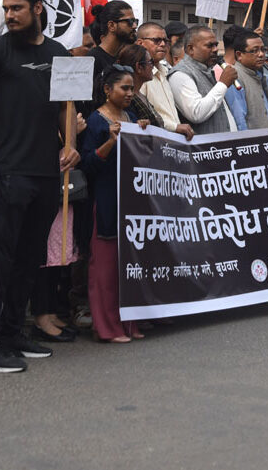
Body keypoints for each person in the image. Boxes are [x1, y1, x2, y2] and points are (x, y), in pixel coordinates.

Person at [0, 0, 79, 372]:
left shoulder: (58, 52)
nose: (9, 16)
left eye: (17, 9)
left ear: (38, 8)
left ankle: (13, 332)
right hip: (9, 172)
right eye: (6, 10)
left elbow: (67, 104)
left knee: (29, 257)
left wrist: (69, 143)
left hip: (47, 173)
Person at [82, 65, 149, 342]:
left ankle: (128, 324)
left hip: (129, 202)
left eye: (132, 88)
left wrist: (143, 133)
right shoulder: (95, 121)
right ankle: (106, 327)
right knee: (106, 269)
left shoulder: (132, 116)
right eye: (124, 88)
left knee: (127, 267)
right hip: (106, 202)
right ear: (108, 90)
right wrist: (111, 142)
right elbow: (87, 164)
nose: (130, 93)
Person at [168, 26, 237, 135]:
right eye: (209, 45)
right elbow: (196, 113)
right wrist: (223, 84)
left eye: (216, 45)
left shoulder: (207, 69)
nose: (215, 50)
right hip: (206, 149)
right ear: (191, 49)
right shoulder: (180, 75)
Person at [135, 23, 193, 138]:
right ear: (140, 43)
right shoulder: (140, 74)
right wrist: (175, 127)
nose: (162, 44)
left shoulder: (166, 72)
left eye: (165, 41)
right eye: (156, 40)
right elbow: (144, 118)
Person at [226, 32, 268, 131]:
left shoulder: (258, 74)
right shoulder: (234, 76)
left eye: (263, 50)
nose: (261, 54)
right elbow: (239, 119)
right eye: (254, 51)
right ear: (239, 55)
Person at [118, 44, 164, 127]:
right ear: (139, 67)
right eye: (150, 62)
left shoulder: (140, 95)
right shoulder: (128, 100)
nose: (152, 66)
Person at [88, 0, 138, 78]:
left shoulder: (124, 58)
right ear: (111, 26)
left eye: (135, 21)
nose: (134, 26)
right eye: (129, 21)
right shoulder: (93, 60)